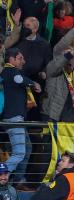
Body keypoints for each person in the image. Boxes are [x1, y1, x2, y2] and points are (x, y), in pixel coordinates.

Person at [1, 47, 41, 187]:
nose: (23, 61)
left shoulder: (9, 73)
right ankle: (2, 174)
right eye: (20, 58)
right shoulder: (10, 72)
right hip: (13, 118)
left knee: (27, 148)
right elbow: (20, 79)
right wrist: (33, 83)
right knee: (19, 152)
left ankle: (18, 180)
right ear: (11, 60)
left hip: (16, 118)